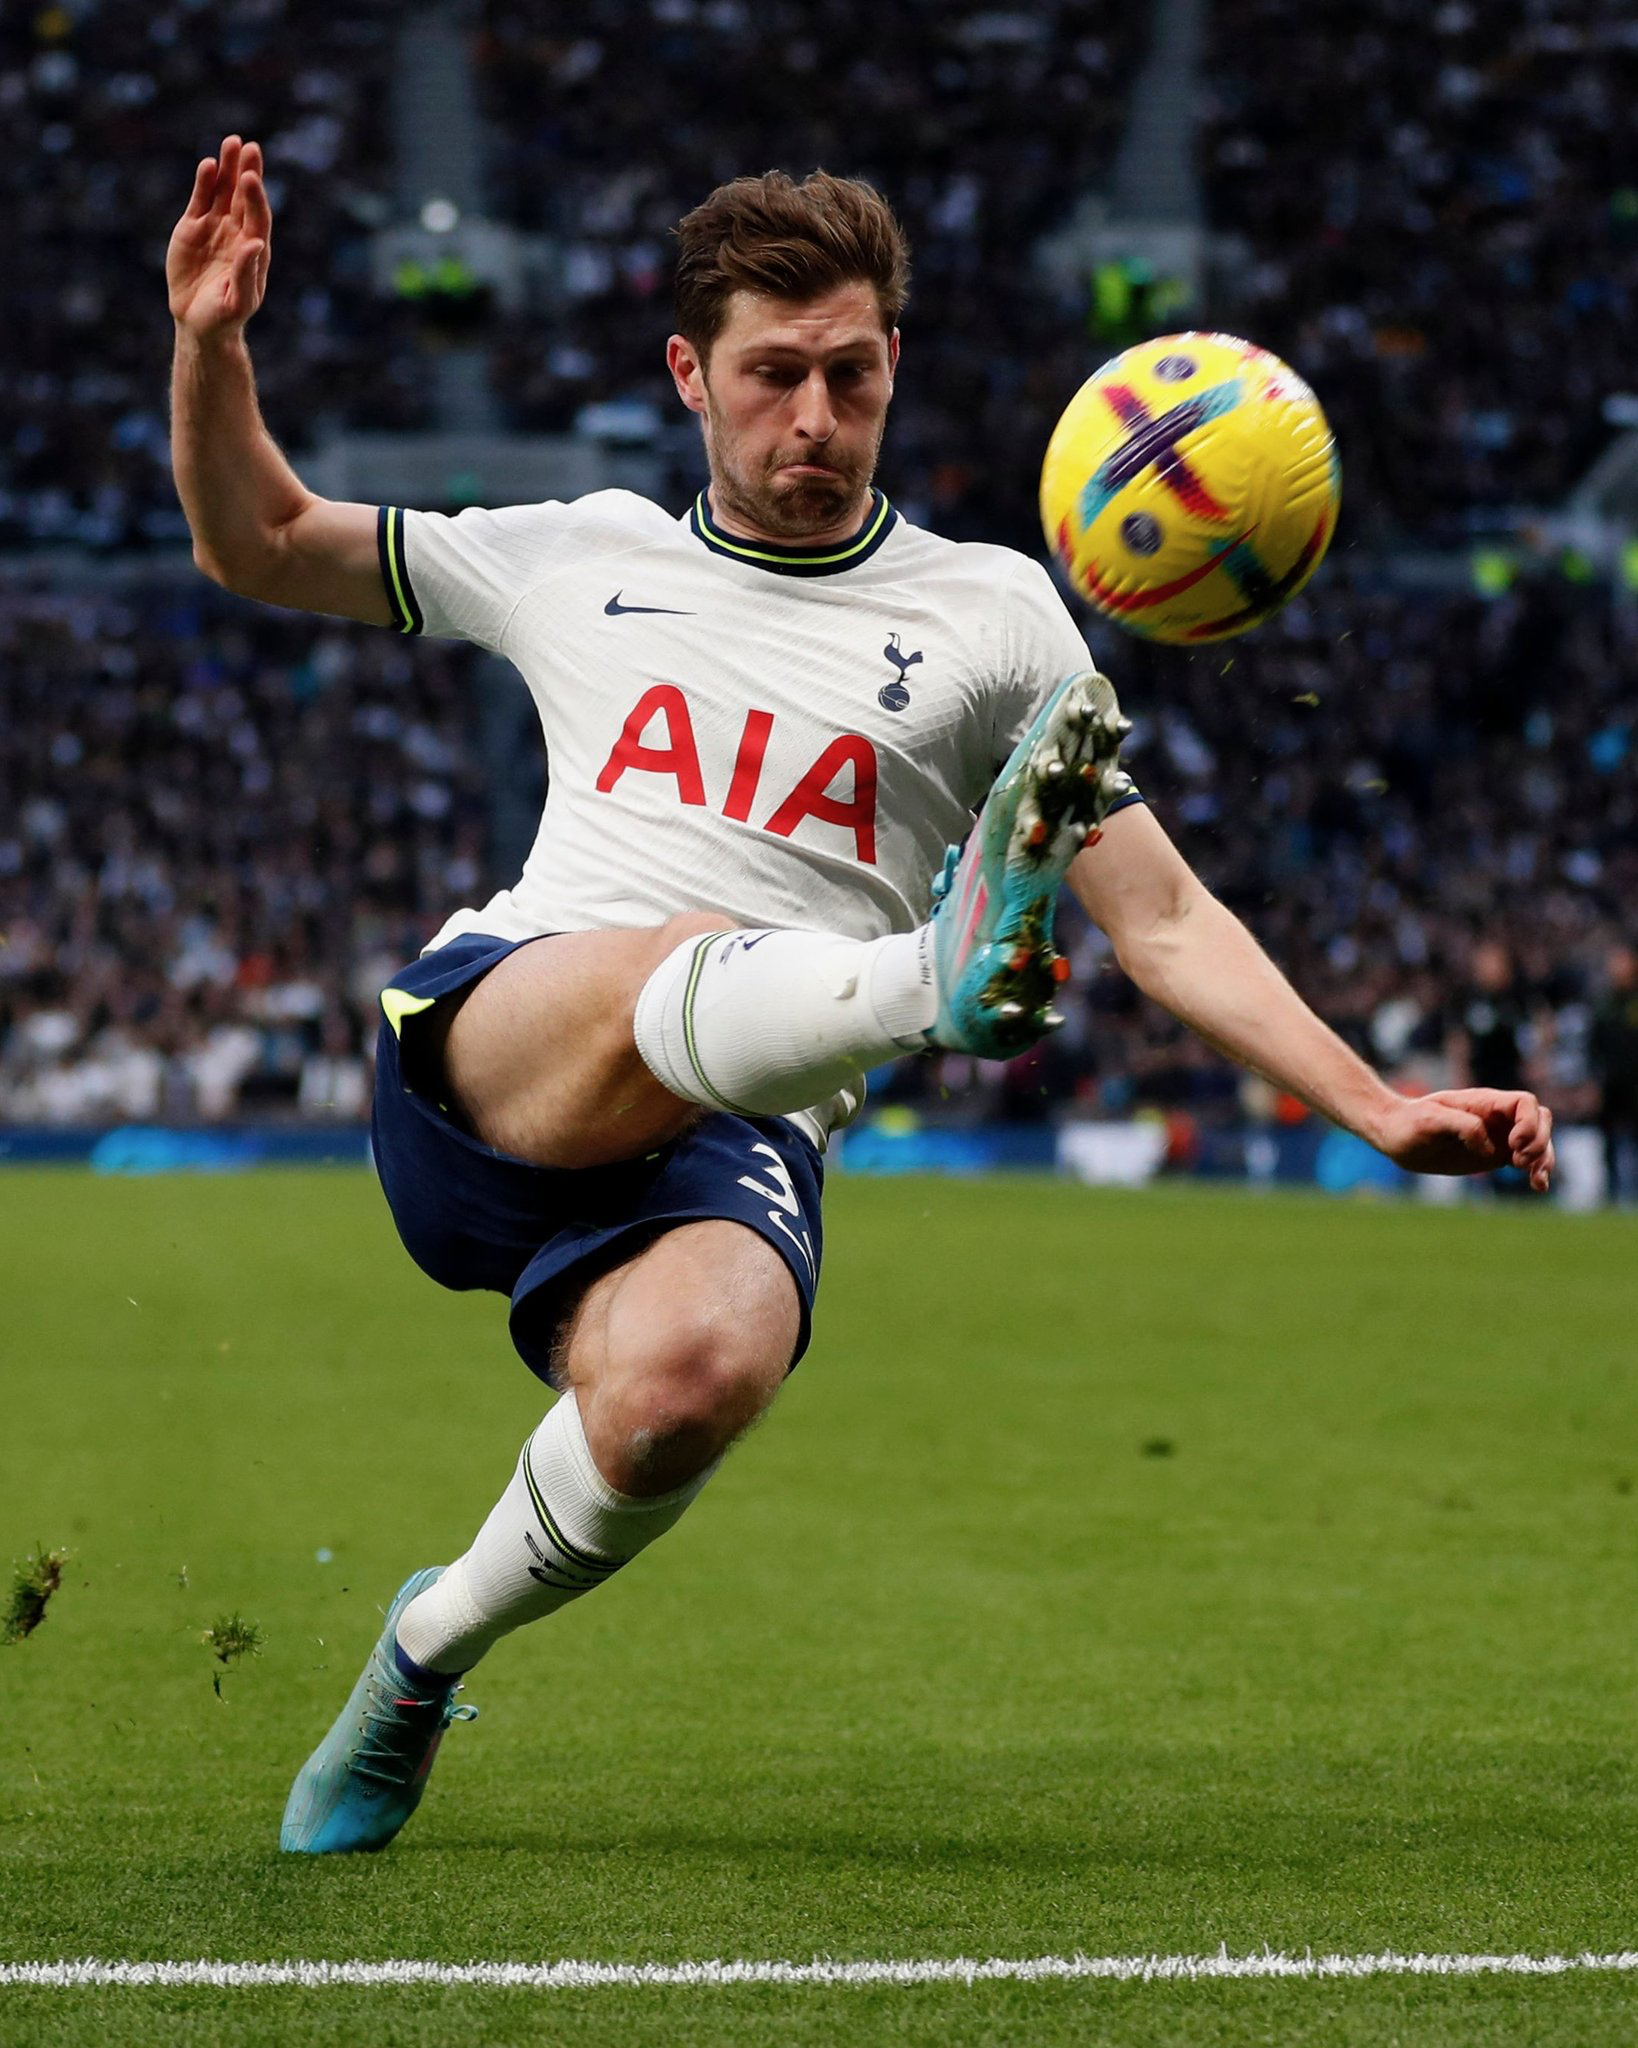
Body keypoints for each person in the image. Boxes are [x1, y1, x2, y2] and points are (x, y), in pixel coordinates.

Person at [167, 137, 1557, 1856]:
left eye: (847, 371)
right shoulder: (574, 552)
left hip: (733, 1120)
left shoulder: (991, 615)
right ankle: (929, 976)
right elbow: (263, 540)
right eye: (770, 376)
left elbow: (1168, 913)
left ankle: (418, 1656)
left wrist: (1375, 1097)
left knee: (693, 1376)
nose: (811, 417)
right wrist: (212, 344)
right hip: (509, 1038)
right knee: (682, 938)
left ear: (892, 360)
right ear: (689, 374)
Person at [1588, 943, 1638, 1204]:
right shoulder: (1604, 1004)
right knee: (1608, 1143)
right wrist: (1595, 1081)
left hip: (1634, 1086)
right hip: (1610, 1085)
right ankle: (1611, 1193)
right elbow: (1594, 1047)